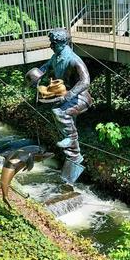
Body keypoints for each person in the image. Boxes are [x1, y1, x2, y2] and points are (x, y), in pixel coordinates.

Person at [25, 29, 92, 184]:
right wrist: (36, 75)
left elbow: (85, 82)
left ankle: (71, 142)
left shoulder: (74, 60)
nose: (51, 46)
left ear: (63, 43)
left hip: (81, 97)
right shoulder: (56, 57)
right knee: (55, 107)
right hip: (67, 94)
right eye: (51, 43)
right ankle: (73, 153)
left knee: (60, 111)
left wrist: (67, 96)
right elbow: (46, 67)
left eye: (54, 43)